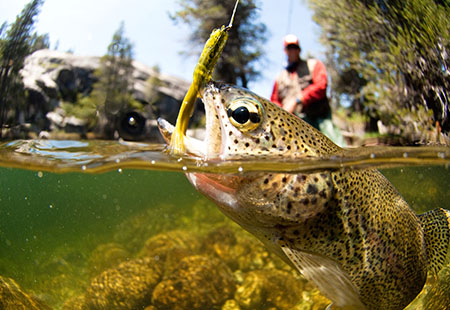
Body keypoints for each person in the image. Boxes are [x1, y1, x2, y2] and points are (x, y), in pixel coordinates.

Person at [271, 34, 345, 146]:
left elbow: (321, 86)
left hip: (320, 120)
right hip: (295, 127)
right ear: (285, 51)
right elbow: (274, 101)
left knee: (336, 147)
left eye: (294, 47)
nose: (292, 51)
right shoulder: (279, 78)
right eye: (289, 48)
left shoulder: (314, 65)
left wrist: (298, 99)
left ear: (299, 50)